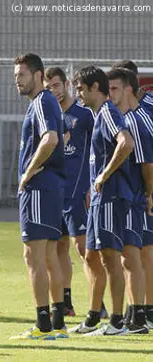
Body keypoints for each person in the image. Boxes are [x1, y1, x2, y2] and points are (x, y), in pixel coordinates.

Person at [69, 66, 135, 336]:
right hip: (99, 197)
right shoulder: (99, 115)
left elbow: (126, 142)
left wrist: (105, 175)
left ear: (96, 88)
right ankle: (94, 316)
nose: (79, 95)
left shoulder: (107, 112)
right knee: (92, 255)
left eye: (81, 89)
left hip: (110, 196)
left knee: (110, 258)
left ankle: (118, 321)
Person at [9, 53, 67, 340]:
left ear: (38, 75)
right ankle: (57, 323)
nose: (17, 80)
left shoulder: (42, 101)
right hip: (52, 188)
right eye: (15, 75)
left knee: (33, 256)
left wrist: (28, 172)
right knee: (49, 257)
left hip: (39, 188)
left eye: (21, 75)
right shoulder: (48, 103)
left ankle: (43, 325)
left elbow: (52, 138)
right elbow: (63, 137)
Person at [43, 67, 105, 318]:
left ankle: (98, 305)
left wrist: (91, 185)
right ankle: (66, 302)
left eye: (57, 86)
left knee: (85, 251)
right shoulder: (48, 115)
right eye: (49, 88)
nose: (54, 91)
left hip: (78, 193)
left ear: (66, 84)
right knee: (58, 248)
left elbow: (99, 151)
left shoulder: (84, 115)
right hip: (55, 192)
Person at [105, 67, 150, 333]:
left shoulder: (136, 121)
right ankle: (137, 316)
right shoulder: (128, 118)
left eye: (114, 89)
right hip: (133, 196)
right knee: (133, 256)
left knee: (135, 257)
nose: (110, 95)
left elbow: (147, 164)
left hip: (137, 198)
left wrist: (148, 193)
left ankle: (139, 318)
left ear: (128, 89)